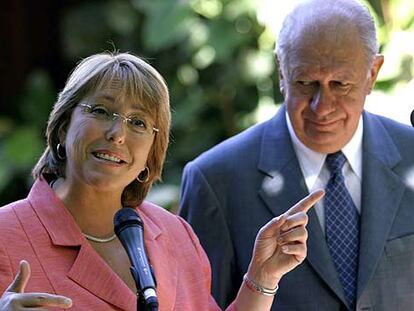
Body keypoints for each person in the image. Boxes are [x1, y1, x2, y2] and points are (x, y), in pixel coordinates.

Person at [0, 52, 324, 310]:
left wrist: (261, 276)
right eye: (100, 111)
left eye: (138, 122)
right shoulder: (7, 236)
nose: (117, 134)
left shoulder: (175, 236)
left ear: (151, 154)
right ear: (62, 126)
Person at [179, 0, 414, 310]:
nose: (322, 106)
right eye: (305, 83)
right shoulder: (215, 180)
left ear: (373, 73)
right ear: (281, 70)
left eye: (340, 84)